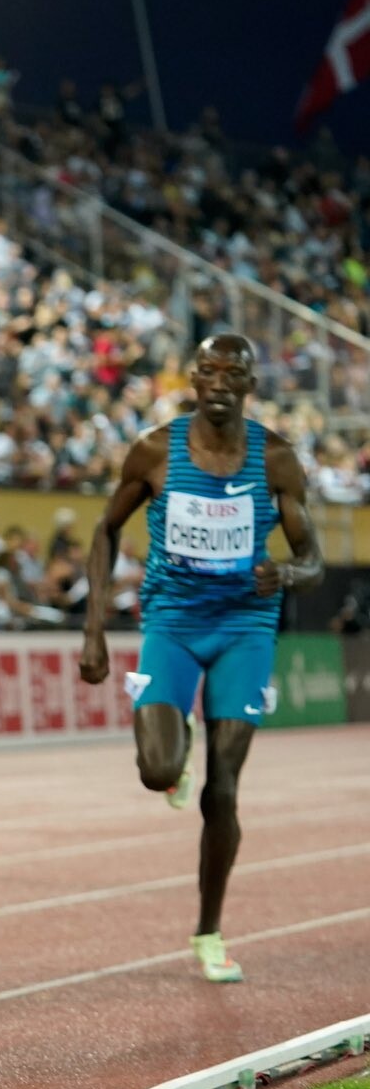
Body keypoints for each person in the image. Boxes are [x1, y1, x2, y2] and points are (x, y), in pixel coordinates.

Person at [79, 335, 321, 984]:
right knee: (157, 770)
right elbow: (105, 529)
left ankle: (209, 931)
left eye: (232, 373)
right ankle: (174, 742)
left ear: (249, 384)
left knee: (223, 789)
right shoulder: (155, 450)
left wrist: (288, 574)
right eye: (208, 371)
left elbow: (313, 559)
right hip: (173, 623)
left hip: (244, 627)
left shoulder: (276, 459)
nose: (219, 382)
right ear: (192, 378)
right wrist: (93, 630)